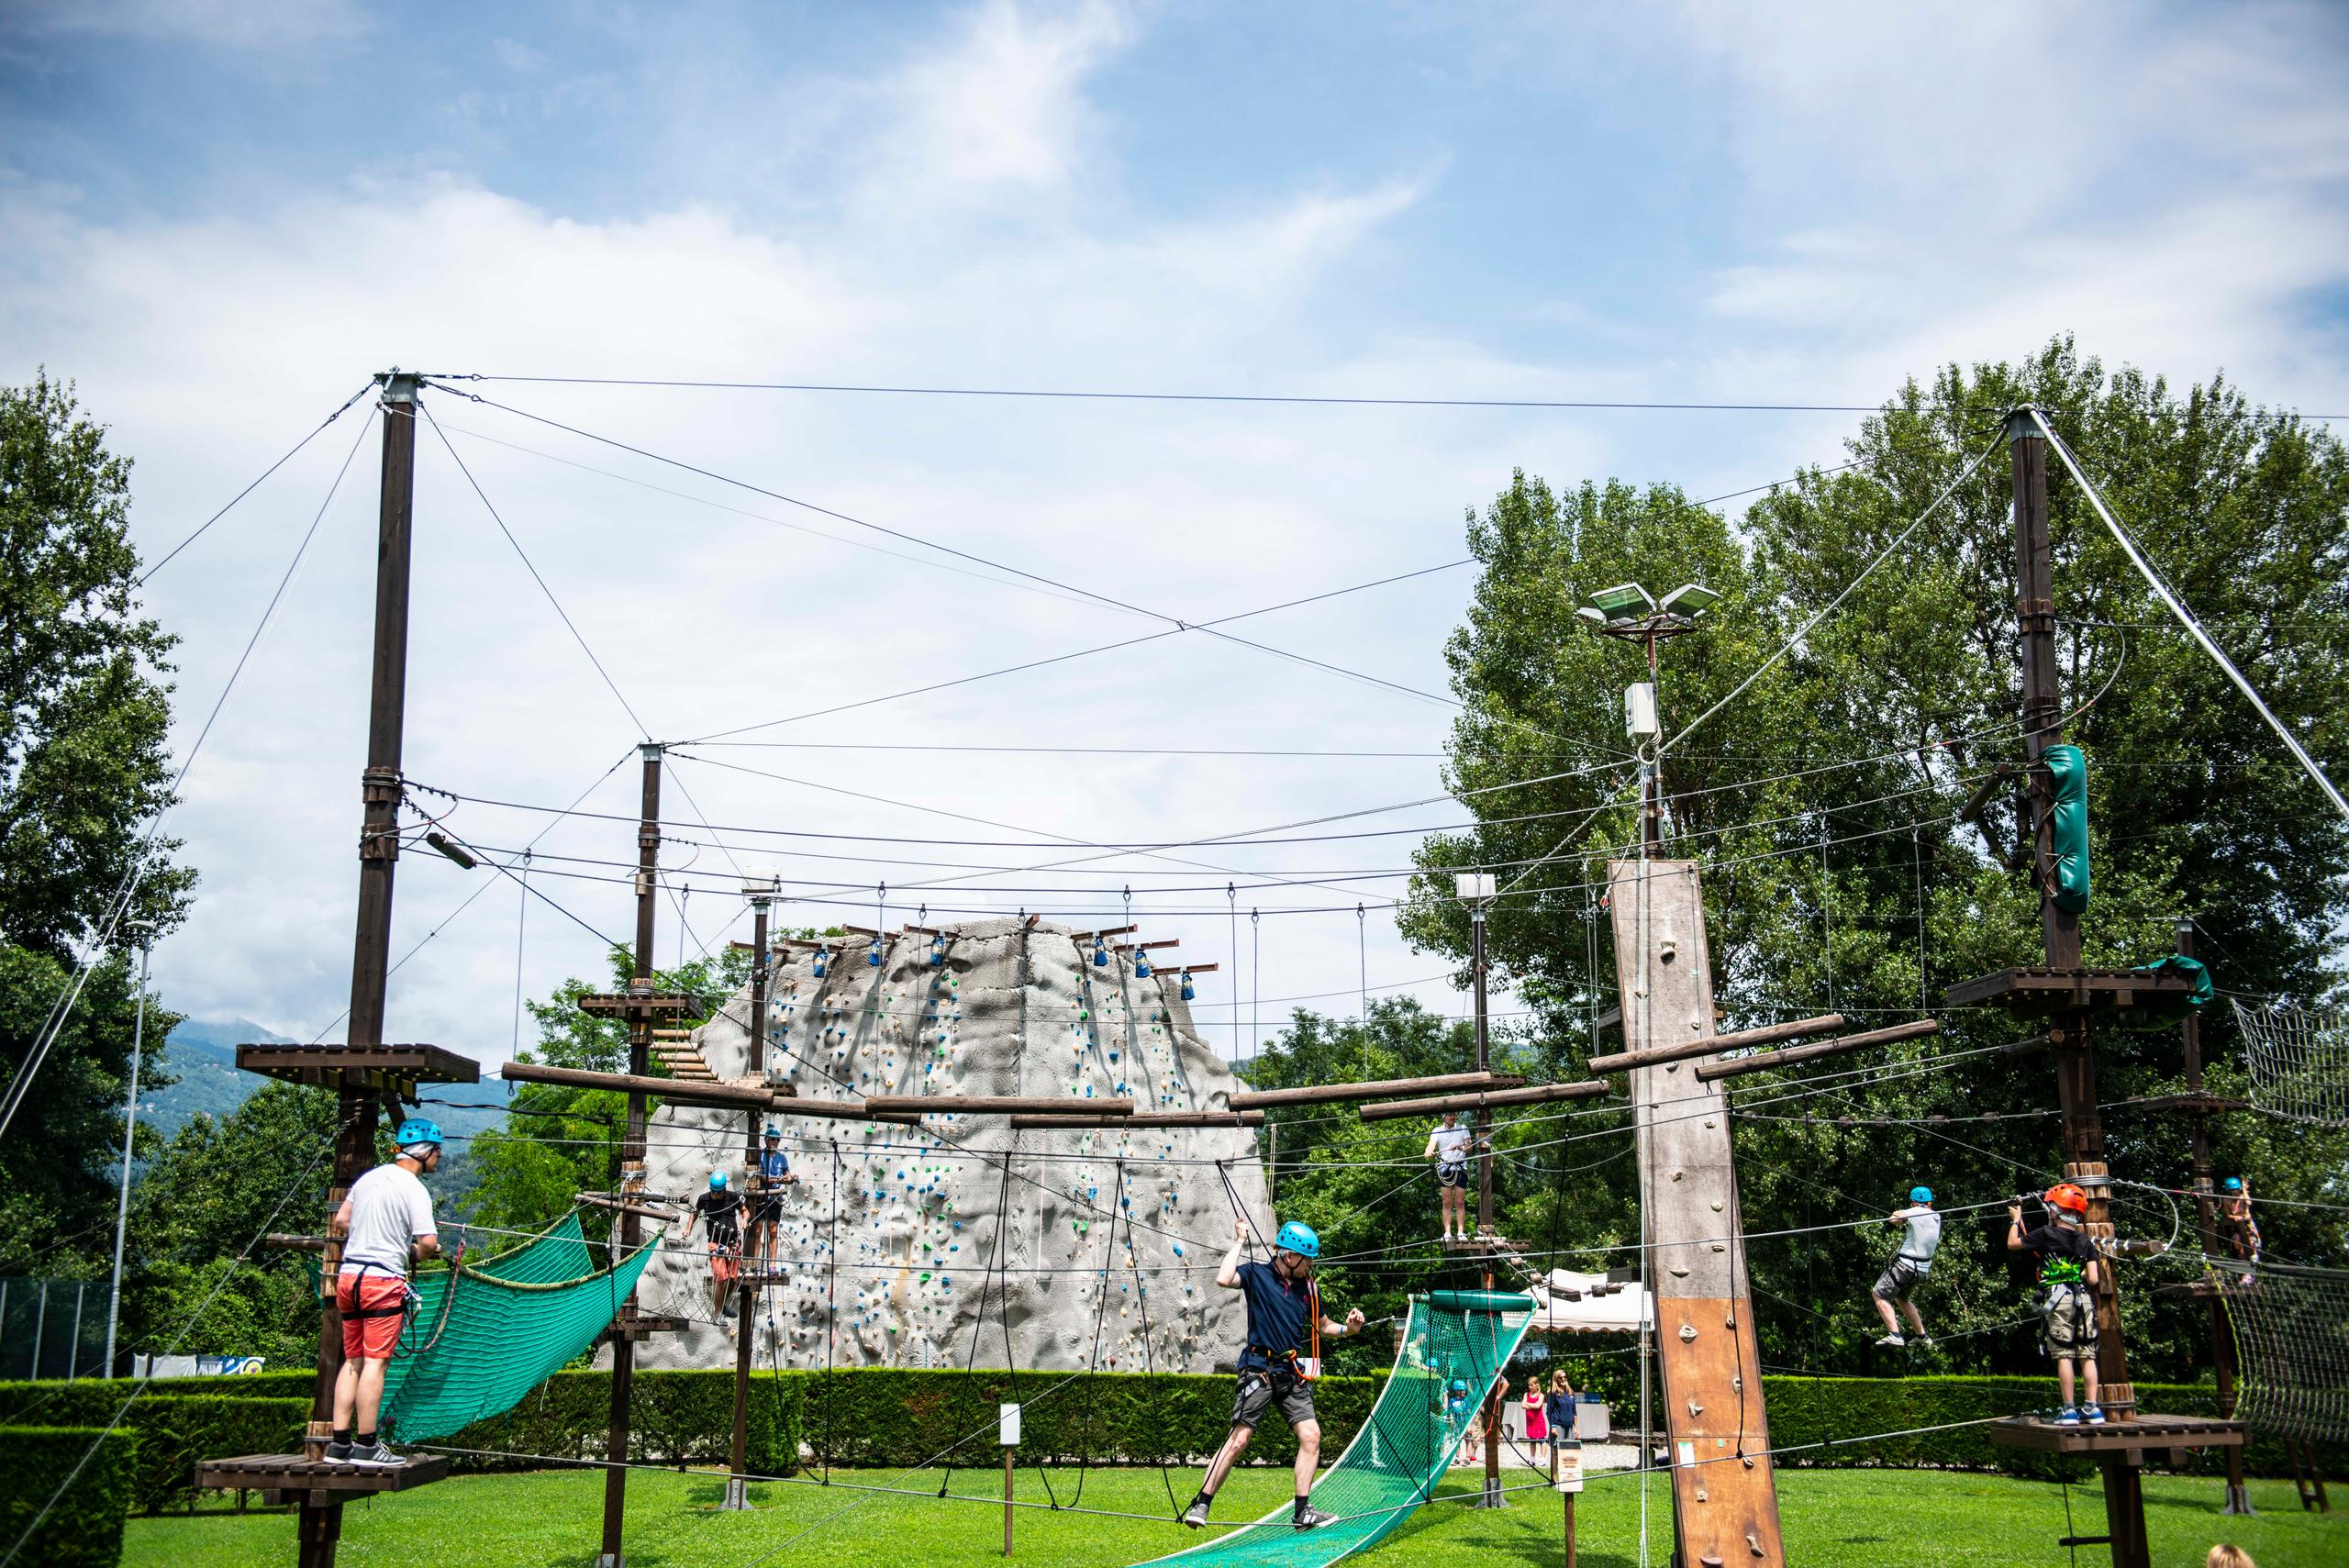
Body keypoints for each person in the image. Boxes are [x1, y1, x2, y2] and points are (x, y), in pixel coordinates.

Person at [1182, 1218, 1366, 1532]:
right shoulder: (1257, 1275)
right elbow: (1224, 1278)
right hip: (1259, 1369)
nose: (1310, 1266)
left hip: (1290, 1373)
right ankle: (1202, 1502)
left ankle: (1302, 1511)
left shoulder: (1309, 1287)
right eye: (1307, 1260)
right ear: (1289, 1256)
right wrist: (1239, 1241)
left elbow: (1324, 1327)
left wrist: (1349, 1329)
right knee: (1239, 1440)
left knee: (1311, 1436)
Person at [328, 1117, 442, 1467]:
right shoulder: (413, 1188)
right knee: (376, 1365)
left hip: (349, 1277)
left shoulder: (370, 1178)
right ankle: (367, 1446)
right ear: (425, 1152)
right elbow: (428, 1242)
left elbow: (342, 1222)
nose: (439, 1159)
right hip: (382, 1282)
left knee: (353, 1362)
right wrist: (414, 1252)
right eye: (437, 1152)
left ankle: (339, 1446)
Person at [2009, 1183, 2104, 1425]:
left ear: (2056, 1210)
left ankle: (2069, 1410)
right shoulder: (2085, 1241)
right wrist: (2076, 1274)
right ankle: (2092, 1409)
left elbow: (2013, 1244)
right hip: (2083, 1299)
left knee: (2064, 1354)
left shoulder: (2045, 1233)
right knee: (2087, 1355)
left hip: (2059, 1298)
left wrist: (2015, 1219)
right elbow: (2093, 1278)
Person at [1871, 1185, 1943, 1349]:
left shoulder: (1916, 1211)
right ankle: (1922, 1335)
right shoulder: (1935, 1216)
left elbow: (1894, 1220)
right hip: (1922, 1270)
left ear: (1914, 1202)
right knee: (1902, 1298)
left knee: (1879, 1295)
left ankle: (1895, 1335)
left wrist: (1899, 1213)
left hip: (1905, 1267)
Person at [689, 1170, 746, 1318]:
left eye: (718, 1192)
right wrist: (688, 1228)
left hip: (733, 1244)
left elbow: (744, 1211)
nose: (715, 1195)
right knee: (721, 1277)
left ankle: (722, 1305)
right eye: (713, 1191)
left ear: (724, 1190)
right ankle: (717, 1313)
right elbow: (694, 1213)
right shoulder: (704, 1199)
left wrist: (744, 1220)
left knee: (733, 1278)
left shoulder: (732, 1197)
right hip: (716, 1243)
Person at [1423, 1112, 1481, 1244]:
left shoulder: (1463, 1128)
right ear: (1444, 1117)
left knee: (1460, 1201)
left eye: (1453, 1115)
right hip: (1444, 1168)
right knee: (1446, 1202)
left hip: (1459, 1167)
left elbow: (1469, 1148)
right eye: (1449, 1115)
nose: (1452, 1117)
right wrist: (1429, 1151)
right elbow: (1431, 1144)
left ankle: (1460, 1233)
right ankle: (1447, 1233)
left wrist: (1459, 1147)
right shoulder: (1437, 1131)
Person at [748, 1126, 799, 1273]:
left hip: (775, 1198)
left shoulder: (781, 1157)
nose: (775, 1142)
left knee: (773, 1230)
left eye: (777, 1140)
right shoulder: (760, 1156)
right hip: (761, 1196)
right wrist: (780, 1179)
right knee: (757, 1230)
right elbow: (761, 1177)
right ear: (766, 1140)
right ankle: (754, 1263)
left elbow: (786, 1173)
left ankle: (772, 1265)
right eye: (773, 1139)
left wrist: (790, 1178)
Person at [2219, 1177, 2261, 1273]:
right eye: (2232, 1190)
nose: (2235, 1191)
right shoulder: (2226, 1201)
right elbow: (2228, 1215)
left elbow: (2249, 1203)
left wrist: (2245, 1190)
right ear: (2229, 1190)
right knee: (2238, 1246)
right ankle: (2244, 1271)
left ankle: (2253, 1272)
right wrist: (2235, 1218)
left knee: (2252, 1247)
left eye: (2236, 1189)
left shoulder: (2242, 1198)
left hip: (2248, 1226)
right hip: (2236, 1226)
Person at [1544, 1369, 1577, 1484]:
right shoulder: (1553, 1393)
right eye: (1560, 1377)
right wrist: (1552, 1426)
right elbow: (1549, 1411)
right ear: (1556, 1379)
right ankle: (1554, 1479)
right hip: (1557, 1425)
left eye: (1565, 1377)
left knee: (1569, 1452)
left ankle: (1568, 1476)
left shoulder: (1570, 1393)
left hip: (1569, 1426)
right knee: (1555, 1453)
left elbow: (1574, 1412)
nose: (1563, 1379)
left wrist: (1576, 1428)